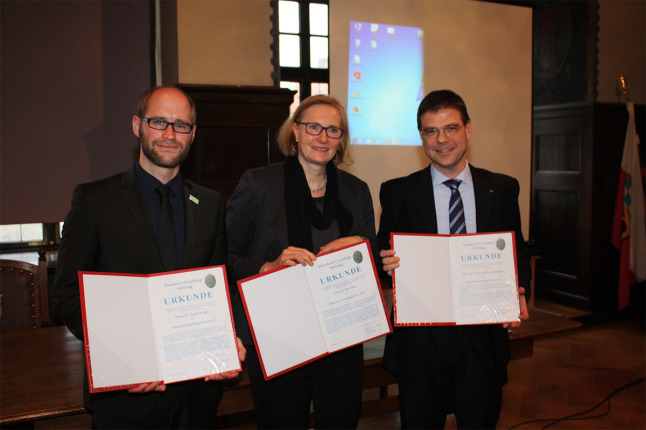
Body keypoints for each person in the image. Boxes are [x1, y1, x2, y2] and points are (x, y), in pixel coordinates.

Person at [50, 86, 245, 429]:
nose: (170, 134)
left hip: (197, 395)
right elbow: (66, 295)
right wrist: (122, 357)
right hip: (126, 397)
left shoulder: (211, 203)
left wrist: (228, 340)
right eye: (159, 122)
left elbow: (219, 288)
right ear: (137, 125)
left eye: (180, 125)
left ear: (193, 134)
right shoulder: (94, 201)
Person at [378, 89, 530, 429]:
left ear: (468, 130)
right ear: (421, 137)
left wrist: (520, 292)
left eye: (451, 128)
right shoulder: (398, 192)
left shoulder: (502, 188)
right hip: (421, 345)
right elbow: (382, 256)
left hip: (482, 339)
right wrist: (385, 263)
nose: (442, 139)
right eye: (431, 131)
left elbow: (516, 251)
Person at [226, 94, 376, 429]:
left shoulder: (356, 191)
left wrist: (362, 246)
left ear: (341, 139)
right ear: (295, 131)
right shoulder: (260, 184)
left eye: (333, 130)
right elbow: (225, 256)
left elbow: (373, 261)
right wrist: (268, 266)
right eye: (313, 127)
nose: (323, 137)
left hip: (342, 333)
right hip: (279, 334)